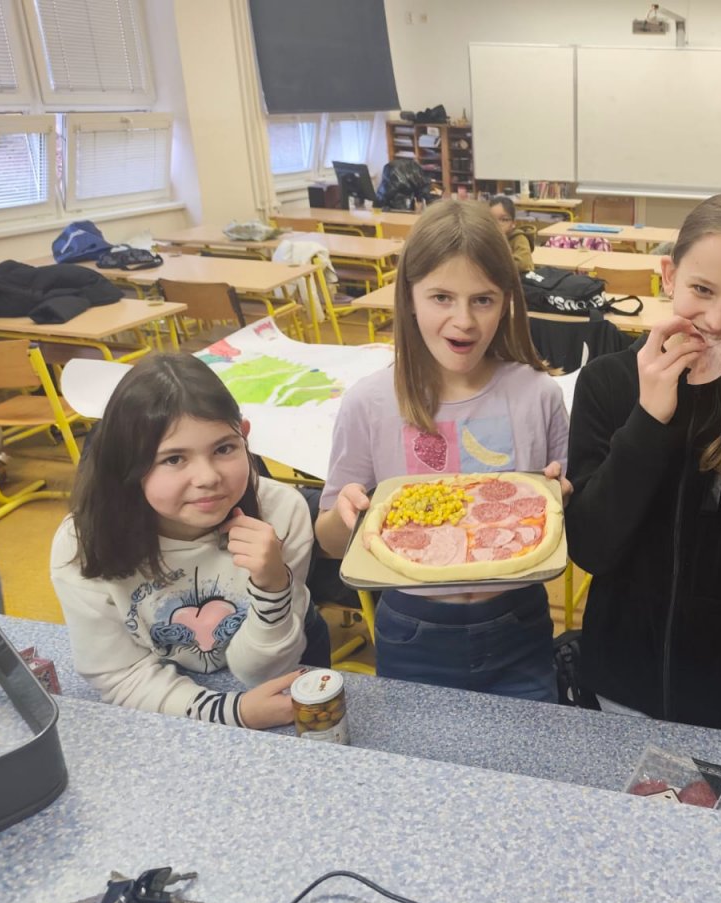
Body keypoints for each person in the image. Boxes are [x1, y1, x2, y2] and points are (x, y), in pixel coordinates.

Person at [565, 193, 721, 735]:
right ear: (669, 276)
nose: (718, 320)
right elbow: (591, 547)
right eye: (702, 290)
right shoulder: (608, 383)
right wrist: (649, 421)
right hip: (622, 686)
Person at [315, 200, 568, 701]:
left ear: (507, 300)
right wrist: (348, 516)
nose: (463, 320)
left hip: (518, 624)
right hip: (412, 630)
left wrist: (563, 498)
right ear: (409, 297)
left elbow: (561, 521)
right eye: (441, 297)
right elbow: (327, 541)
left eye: (483, 299)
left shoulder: (539, 395)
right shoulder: (369, 402)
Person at [49, 355, 317, 730]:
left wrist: (273, 585)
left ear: (245, 435)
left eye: (224, 448)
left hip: (272, 668)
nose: (207, 477)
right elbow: (120, 674)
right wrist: (232, 712)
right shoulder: (82, 543)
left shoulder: (282, 513)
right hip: (173, 707)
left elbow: (261, 672)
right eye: (174, 459)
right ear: (126, 463)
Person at [489, 195, 535, 273]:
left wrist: (493, 266)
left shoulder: (519, 238)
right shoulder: (486, 238)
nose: (497, 224)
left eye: (504, 220)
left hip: (517, 278)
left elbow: (523, 264)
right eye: (492, 219)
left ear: (513, 223)